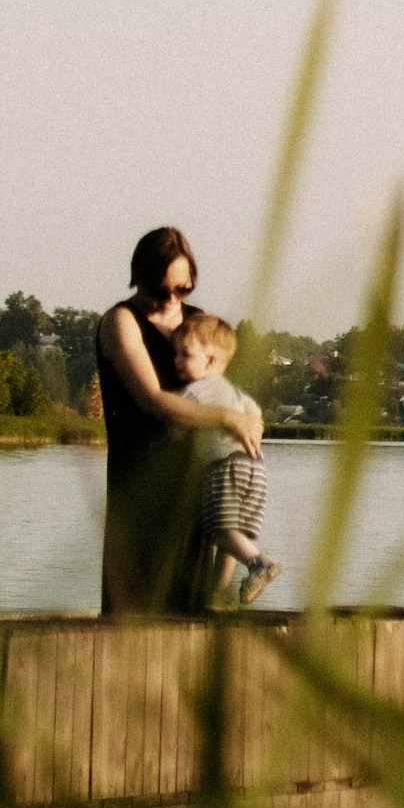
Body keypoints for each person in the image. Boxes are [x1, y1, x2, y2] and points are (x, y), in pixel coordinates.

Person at [95, 226, 262, 615]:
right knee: (137, 615)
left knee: (194, 609)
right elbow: (151, 399)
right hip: (141, 490)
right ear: (141, 279)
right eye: (162, 290)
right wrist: (226, 417)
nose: (172, 299)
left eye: (182, 290)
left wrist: (250, 418)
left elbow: (222, 389)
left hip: (196, 487)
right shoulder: (122, 322)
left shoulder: (199, 322)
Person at [172, 306, 280, 605]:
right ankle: (218, 599)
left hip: (226, 467)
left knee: (219, 531)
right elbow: (257, 416)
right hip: (255, 467)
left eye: (184, 354)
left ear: (209, 361)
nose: (176, 361)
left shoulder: (196, 391)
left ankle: (259, 563)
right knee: (233, 535)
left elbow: (177, 426)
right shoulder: (235, 393)